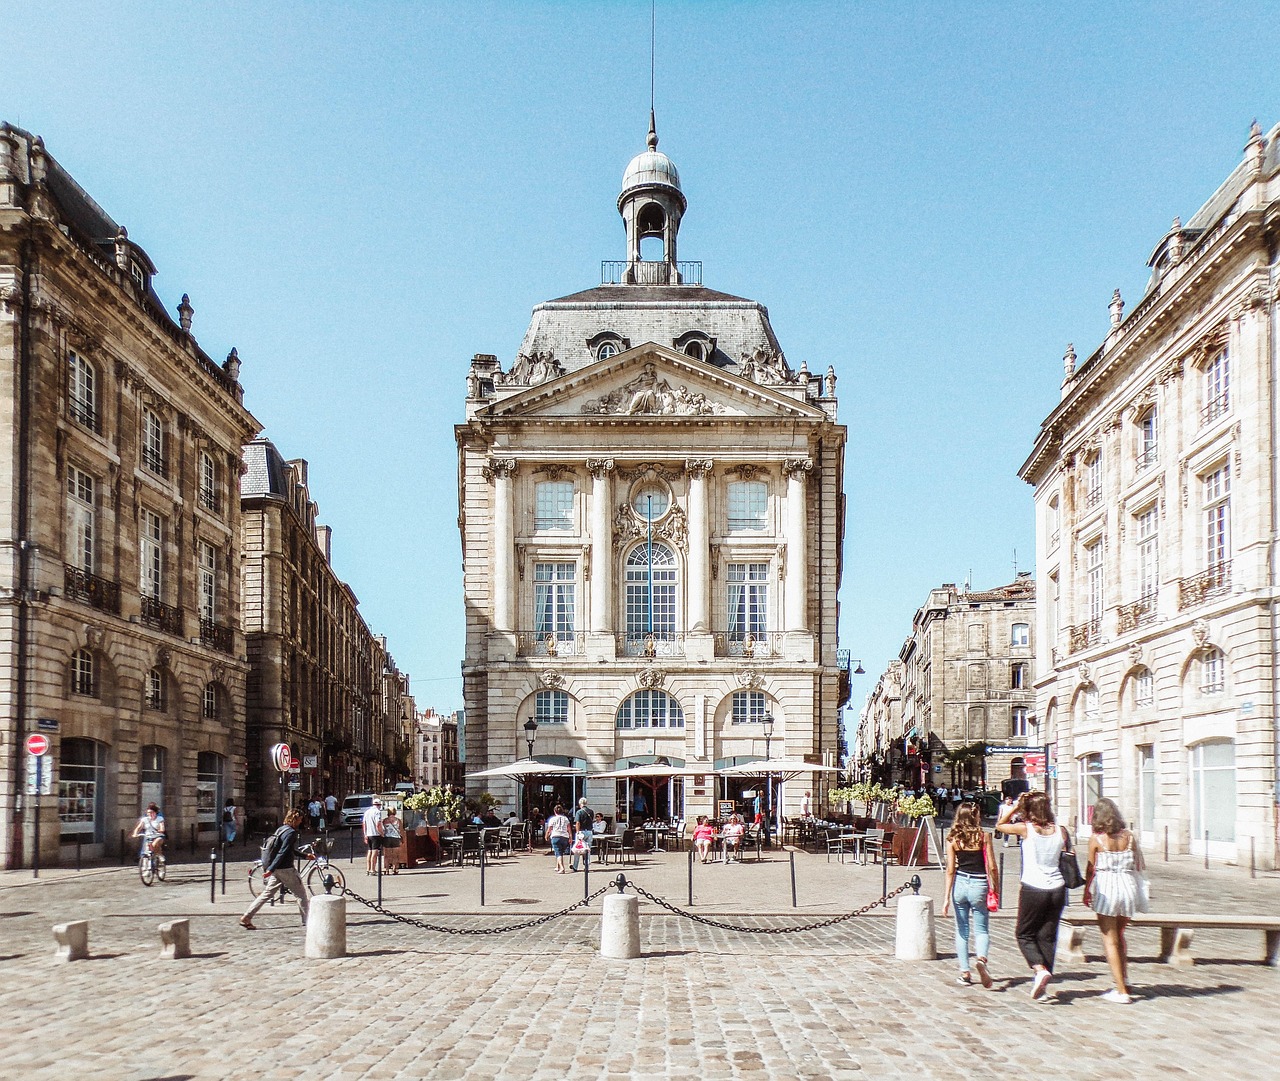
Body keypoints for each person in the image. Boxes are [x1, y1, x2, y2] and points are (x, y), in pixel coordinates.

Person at [996, 790, 1068, 1000]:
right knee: (1047, 936)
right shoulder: (1061, 831)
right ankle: (1043, 984)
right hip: (1057, 888)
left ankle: (1039, 969)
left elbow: (1000, 825)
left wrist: (1017, 807)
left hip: (1033, 887)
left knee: (1024, 933)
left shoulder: (1026, 829)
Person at [1083, 798, 1145, 1004]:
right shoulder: (1129, 837)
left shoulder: (1097, 839)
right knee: (1119, 935)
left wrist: (1086, 890)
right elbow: (1138, 863)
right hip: (1128, 886)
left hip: (1107, 887)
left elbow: (1091, 868)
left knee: (1109, 939)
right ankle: (1124, 979)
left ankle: (1121, 990)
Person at [941, 801, 999, 988]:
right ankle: (981, 959)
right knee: (981, 929)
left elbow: (950, 869)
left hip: (960, 883)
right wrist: (995, 887)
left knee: (962, 930)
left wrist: (946, 898)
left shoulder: (952, 839)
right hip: (979, 884)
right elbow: (991, 866)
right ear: (975, 816)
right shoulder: (984, 836)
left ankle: (965, 972)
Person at [240, 809, 308, 930]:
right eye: (300, 819)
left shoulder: (281, 829)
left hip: (277, 870)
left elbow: (286, 849)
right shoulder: (291, 832)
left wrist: (305, 856)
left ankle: (247, 916)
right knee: (301, 894)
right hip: (285, 869)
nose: (301, 821)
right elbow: (283, 852)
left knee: (266, 894)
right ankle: (308, 922)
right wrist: (270, 870)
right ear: (296, 819)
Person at [544, 803, 572, 873]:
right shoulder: (566, 819)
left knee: (558, 852)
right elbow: (569, 829)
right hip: (565, 836)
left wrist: (546, 835)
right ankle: (557, 866)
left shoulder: (552, 819)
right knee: (560, 852)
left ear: (555, 811)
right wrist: (570, 837)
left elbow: (549, 829)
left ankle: (562, 868)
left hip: (556, 836)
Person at [570, 797, 594, 871]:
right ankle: (587, 866)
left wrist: (577, 832)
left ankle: (575, 866)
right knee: (587, 850)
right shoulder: (591, 812)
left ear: (580, 804)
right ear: (586, 803)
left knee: (578, 849)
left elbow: (577, 822)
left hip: (581, 832)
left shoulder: (579, 812)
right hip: (589, 832)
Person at [362, 797, 385, 875]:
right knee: (375, 852)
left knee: (370, 851)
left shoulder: (367, 812)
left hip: (368, 834)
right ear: (379, 805)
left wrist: (365, 834)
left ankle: (368, 869)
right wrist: (381, 833)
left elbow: (364, 824)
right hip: (375, 834)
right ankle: (373, 869)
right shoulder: (377, 812)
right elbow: (378, 824)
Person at [381, 808, 403, 874]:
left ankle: (387, 869)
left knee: (387, 855)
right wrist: (402, 838)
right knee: (395, 855)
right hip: (396, 838)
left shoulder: (384, 820)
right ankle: (394, 869)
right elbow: (401, 830)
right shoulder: (398, 820)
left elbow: (382, 829)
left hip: (387, 838)